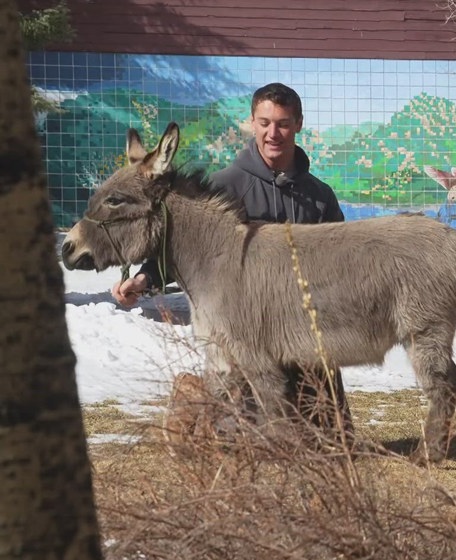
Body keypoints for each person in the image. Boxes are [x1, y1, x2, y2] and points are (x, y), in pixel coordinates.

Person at [112, 82, 353, 443]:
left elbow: (341, 263)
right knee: (238, 443)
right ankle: (195, 396)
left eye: (284, 123)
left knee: (333, 445)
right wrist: (144, 280)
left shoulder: (319, 197)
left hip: (303, 335)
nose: (274, 133)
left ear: (299, 124)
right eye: (265, 122)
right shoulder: (223, 187)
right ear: (251, 123)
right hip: (243, 337)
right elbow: (182, 249)